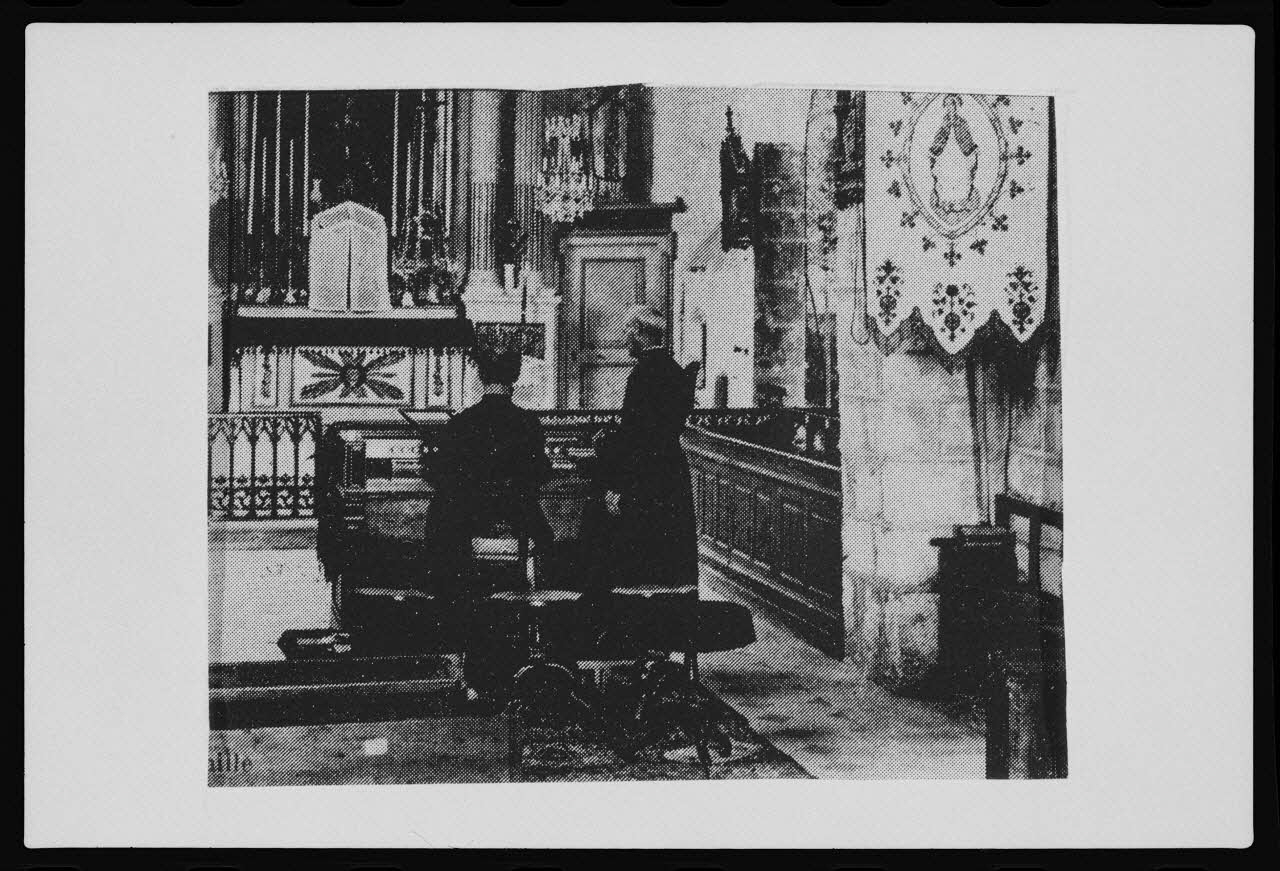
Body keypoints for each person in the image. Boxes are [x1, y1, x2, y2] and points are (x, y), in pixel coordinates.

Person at [422, 346, 553, 699]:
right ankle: (535, 647)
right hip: (518, 524)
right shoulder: (528, 423)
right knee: (553, 548)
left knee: (442, 545)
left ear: (481, 379)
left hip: (468, 527)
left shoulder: (462, 422)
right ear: (515, 379)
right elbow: (541, 471)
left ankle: (461, 649)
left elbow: (437, 471)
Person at [593, 305, 701, 594]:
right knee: (669, 559)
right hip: (671, 472)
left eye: (628, 330)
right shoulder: (676, 371)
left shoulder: (641, 374)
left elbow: (635, 437)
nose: (625, 337)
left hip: (643, 477)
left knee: (637, 561)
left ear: (641, 333)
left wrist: (616, 484)